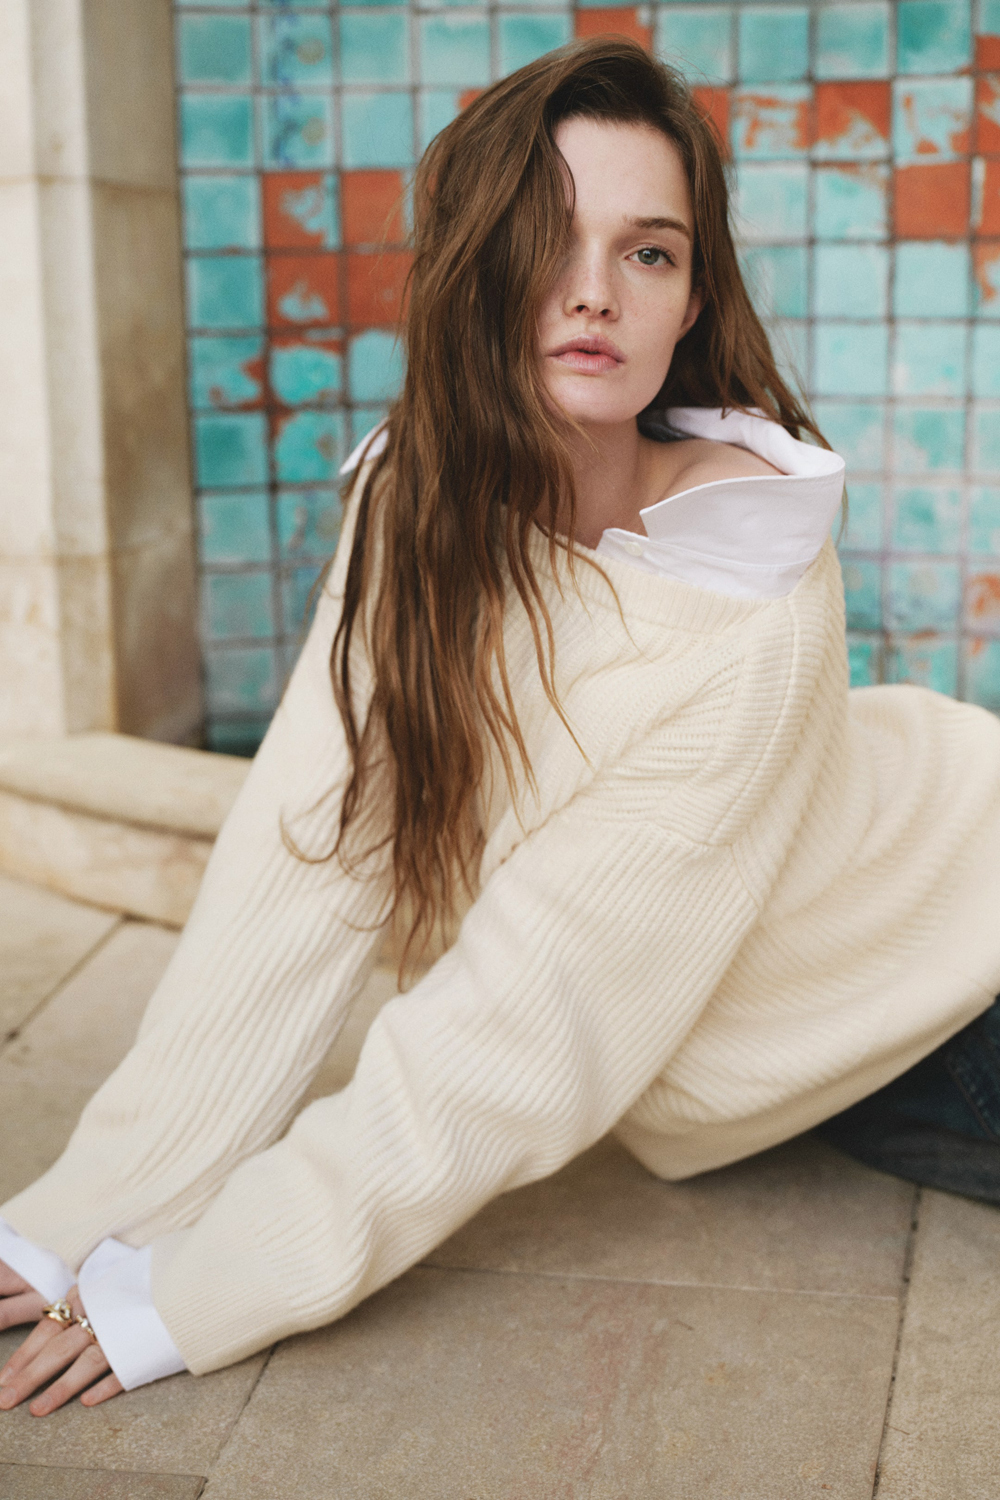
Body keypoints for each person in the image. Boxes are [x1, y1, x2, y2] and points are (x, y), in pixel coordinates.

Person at [3, 36, 1000, 1418]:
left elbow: (528, 1020)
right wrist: (84, 1210)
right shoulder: (415, 502)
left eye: (647, 252)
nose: (594, 292)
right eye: (548, 238)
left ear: (692, 295)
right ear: (476, 261)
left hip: (956, 971)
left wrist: (200, 1290)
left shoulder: (752, 596)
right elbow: (311, 852)